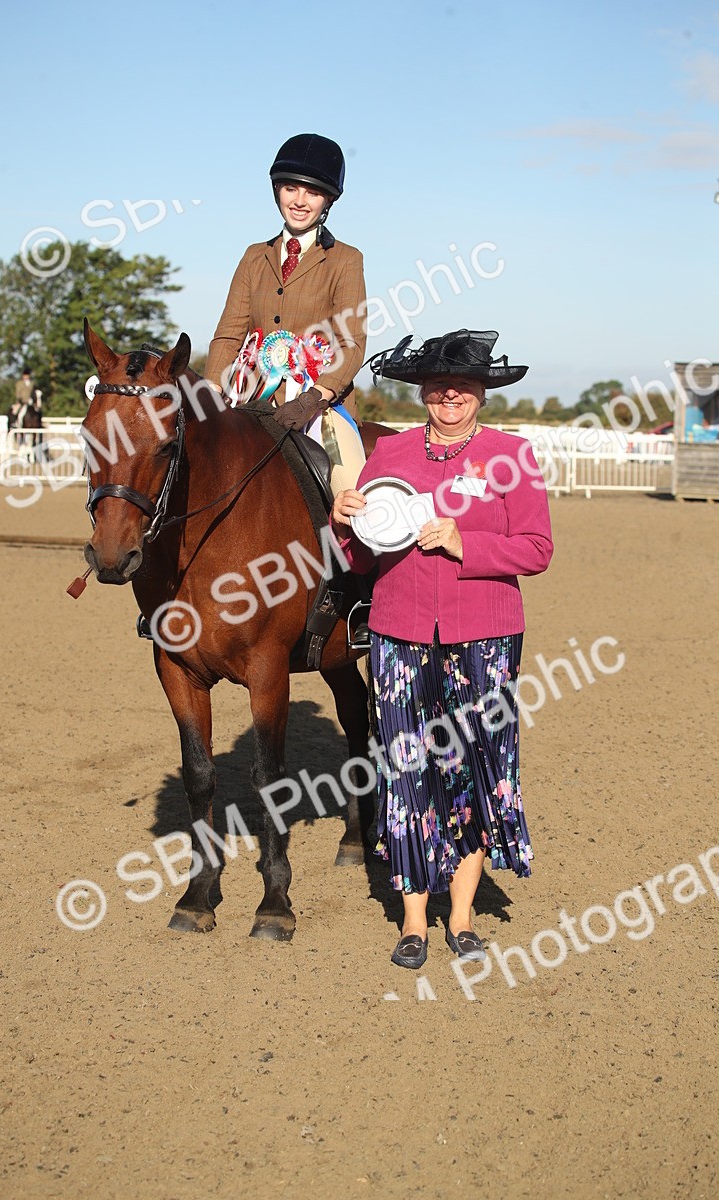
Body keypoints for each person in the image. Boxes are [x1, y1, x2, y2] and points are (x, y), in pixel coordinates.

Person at [330, 330, 553, 969]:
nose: (448, 394)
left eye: (460, 384)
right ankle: (413, 923)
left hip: (485, 634)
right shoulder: (392, 452)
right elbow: (361, 552)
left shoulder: (512, 455)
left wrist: (466, 544)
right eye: (435, 385)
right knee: (406, 771)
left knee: (477, 767)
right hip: (399, 634)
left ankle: (460, 918)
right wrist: (344, 521)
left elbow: (537, 549)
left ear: (481, 392)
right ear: (421, 391)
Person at [204, 133, 367, 494]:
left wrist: (312, 398)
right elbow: (230, 332)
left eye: (312, 192)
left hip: (318, 408)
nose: (299, 201)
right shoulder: (253, 256)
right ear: (277, 190)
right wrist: (212, 390)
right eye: (291, 189)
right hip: (248, 396)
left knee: (351, 494)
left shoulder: (346, 260)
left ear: (328, 200)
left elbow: (351, 343)